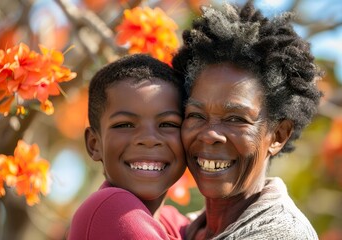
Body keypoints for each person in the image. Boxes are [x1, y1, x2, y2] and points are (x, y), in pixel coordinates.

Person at [172, 1, 322, 239]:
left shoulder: (282, 234)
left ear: (278, 135)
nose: (210, 134)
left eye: (235, 118)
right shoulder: (180, 229)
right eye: (196, 115)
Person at [68, 54, 189, 240]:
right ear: (94, 144)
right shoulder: (111, 208)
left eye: (168, 124)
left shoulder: (172, 222)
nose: (149, 139)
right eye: (124, 125)